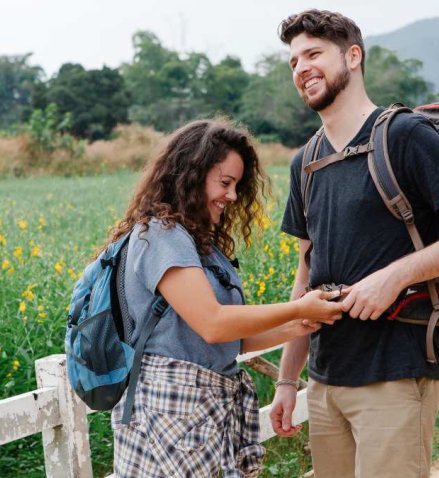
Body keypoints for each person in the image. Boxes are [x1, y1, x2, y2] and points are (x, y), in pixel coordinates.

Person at [268, 10, 439, 478]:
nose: (301, 68)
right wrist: (287, 379)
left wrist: (394, 276)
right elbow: (306, 276)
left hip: (396, 371)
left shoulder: (402, 136)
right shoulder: (305, 162)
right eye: (294, 60)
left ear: (353, 56)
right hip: (324, 379)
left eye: (314, 54)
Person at [105, 118, 345, 478]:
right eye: (225, 182)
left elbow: (233, 339)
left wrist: (299, 324)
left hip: (202, 411)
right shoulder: (161, 235)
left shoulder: (199, 243)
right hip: (170, 411)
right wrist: (297, 307)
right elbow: (213, 325)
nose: (232, 196)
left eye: (236, 185)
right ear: (190, 174)